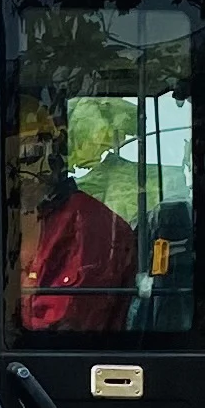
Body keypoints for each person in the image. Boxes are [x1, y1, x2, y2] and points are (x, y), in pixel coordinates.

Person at [11, 110, 132, 333]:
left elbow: (67, 321)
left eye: (28, 154)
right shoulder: (31, 219)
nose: (11, 171)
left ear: (51, 157)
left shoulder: (87, 224)